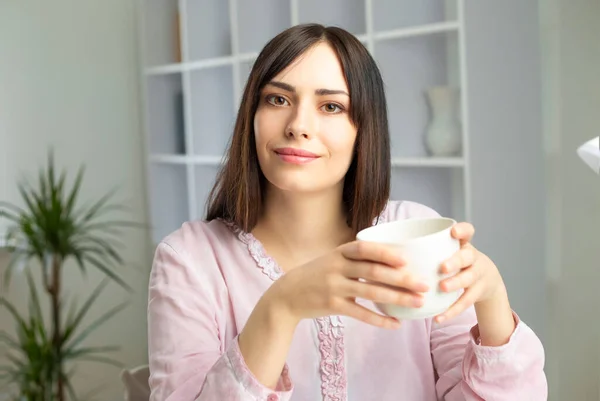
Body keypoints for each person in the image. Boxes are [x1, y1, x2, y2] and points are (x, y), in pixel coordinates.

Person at [147, 24, 547, 401]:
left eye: (331, 106)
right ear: (251, 117)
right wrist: (280, 308)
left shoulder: (417, 238)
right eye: (278, 99)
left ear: (363, 129)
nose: (299, 125)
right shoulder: (190, 260)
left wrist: (492, 299)